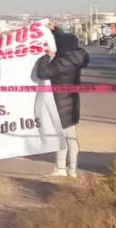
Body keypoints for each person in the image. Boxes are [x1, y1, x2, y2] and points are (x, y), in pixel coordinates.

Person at [34, 30, 89, 177]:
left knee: (64, 137)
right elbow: (66, 39)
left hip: (61, 102)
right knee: (69, 137)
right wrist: (55, 29)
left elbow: (42, 73)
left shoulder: (62, 62)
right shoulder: (77, 58)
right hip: (71, 101)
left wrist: (46, 57)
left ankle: (63, 168)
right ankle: (70, 169)